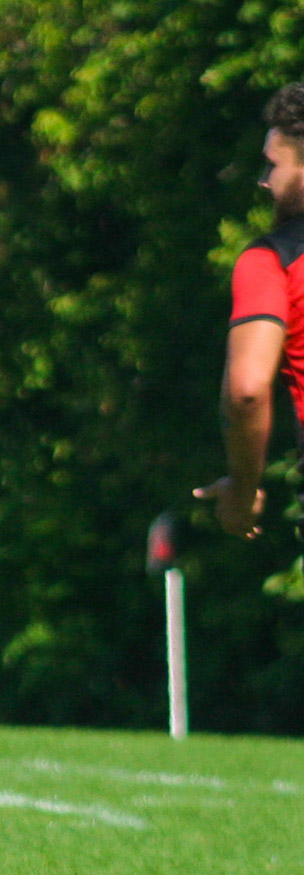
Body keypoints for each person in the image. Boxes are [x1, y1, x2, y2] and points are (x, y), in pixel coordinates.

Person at [200, 82, 304, 544]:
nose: (264, 182)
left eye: (273, 165)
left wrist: (242, 490)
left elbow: (246, 390)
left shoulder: (272, 260)